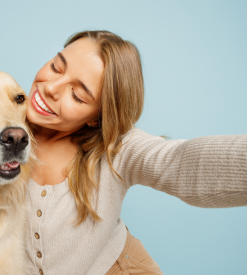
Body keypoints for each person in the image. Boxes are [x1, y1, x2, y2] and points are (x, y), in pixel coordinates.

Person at [24, 30, 247, 275]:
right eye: (56, 67)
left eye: (77, 95)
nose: (51, 88)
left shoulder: (117, 149)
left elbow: (178, 162)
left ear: (97, 118)